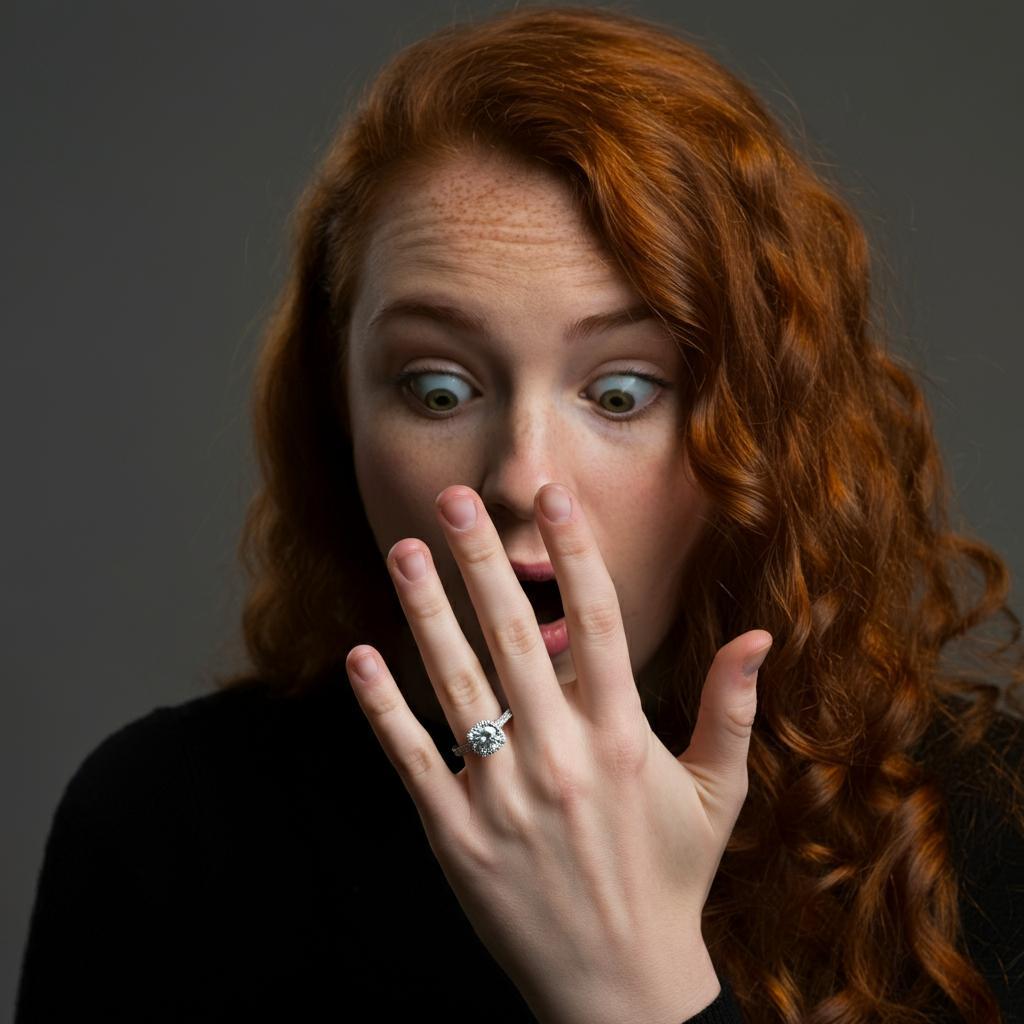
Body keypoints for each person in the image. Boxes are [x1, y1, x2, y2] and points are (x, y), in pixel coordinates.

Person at [15, 6, 1024, 1023]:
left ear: (756, 423)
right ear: (338, 414)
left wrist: (630, 987)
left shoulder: (987, 830)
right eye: (438, 390)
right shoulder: (167, 829)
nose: (522, 477)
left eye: (621, 392)